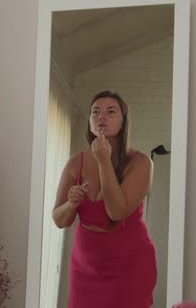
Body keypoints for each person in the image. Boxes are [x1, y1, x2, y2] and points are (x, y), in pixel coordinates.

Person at [52, 91, 157, 308]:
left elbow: (116, 212)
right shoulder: (75, 163)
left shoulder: (141, 163)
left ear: (124, 121)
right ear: (89, 121)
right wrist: (71, 204)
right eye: (95, 112)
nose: (102, 117)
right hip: (85, 265)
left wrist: (104, 161)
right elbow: (59, 220)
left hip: (130, 265)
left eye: (111, 112)